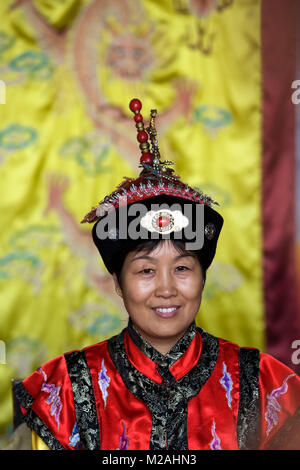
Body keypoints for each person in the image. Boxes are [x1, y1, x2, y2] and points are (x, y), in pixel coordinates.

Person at [14, 99, 300, 451]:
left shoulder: (266, 386)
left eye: (182, 268)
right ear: (118, 282)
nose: (166, 288)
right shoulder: (63, 392)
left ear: (202, 277)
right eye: (146, 270)